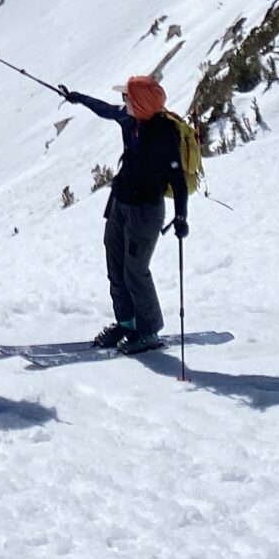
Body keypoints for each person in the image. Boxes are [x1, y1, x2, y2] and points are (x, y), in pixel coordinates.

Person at [65, 74, 189, 354]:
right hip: (121, 203)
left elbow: (178, 180)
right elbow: (105, 110)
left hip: (146, 211)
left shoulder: (163, 134)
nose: (122, 102)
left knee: (135, 271)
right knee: (116, 265)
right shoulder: (129, 120)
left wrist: (181, 216)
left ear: (140, 103)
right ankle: (126, 324)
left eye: (127, 98)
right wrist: (77, 98)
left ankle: (149, 331)